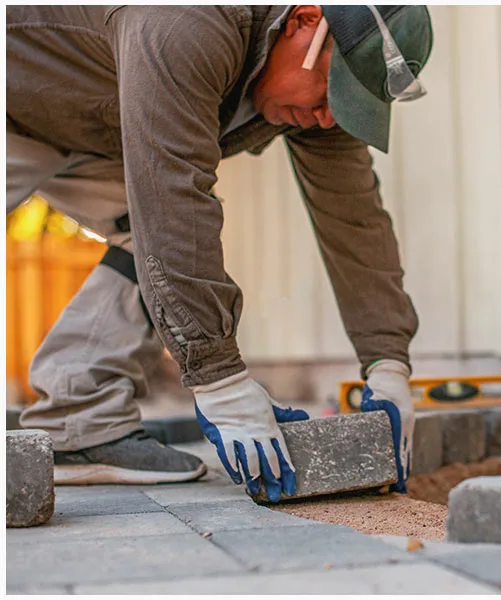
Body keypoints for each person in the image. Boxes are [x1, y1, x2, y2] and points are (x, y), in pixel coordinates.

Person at [6, 5, 433, 502]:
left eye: (351, 103)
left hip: (97, 127)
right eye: (333, 89)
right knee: (169, 224)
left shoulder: (317, 100)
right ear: (304, 20)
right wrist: (220, 379)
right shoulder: (187, 20)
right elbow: (173, 195)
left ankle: (79, 424)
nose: (329, 115)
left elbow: (353, 218)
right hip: (15, 98)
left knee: (144, 231)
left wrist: (388, 363)